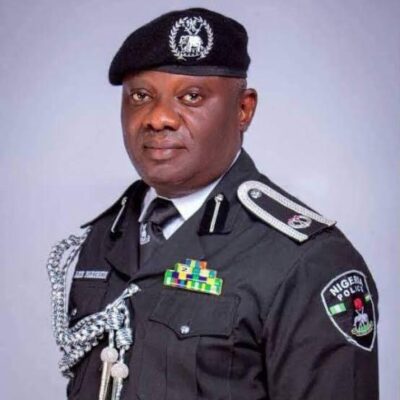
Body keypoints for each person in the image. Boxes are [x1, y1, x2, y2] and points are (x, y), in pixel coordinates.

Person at [47, 7, 379, 400]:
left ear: (243, 110)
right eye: (141, 96)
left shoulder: (307, 261)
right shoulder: (106, 236)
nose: (158, 118)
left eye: (191, 97)